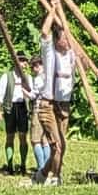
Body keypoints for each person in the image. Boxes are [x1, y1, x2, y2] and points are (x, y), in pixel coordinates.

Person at [34, 21, 76, 186]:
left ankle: (43, 174)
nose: (68, 41)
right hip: (48, 105)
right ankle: (56, 177)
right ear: (57, 41)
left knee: (61, 146)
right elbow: (45, 32)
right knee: (57, 145)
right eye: (65, 39)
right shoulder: (50, 53)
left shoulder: (71, 54)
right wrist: (53, 10)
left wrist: (81, 58)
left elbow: (85, 65)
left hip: (64, 105)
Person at [0, 55, 32, 173]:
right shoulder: (6, 76)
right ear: (16, 62)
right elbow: (0, 94)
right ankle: (10, 165)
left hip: (23, 107)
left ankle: (23, 165)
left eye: (25, 61)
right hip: (10, 108)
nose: (24, 63)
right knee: (10, 136)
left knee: (23, 137)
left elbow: (32, 94)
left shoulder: (28, 78)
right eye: (21, 60)